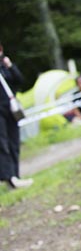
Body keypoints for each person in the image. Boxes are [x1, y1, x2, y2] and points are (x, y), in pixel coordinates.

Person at [0, 41, 33, 189]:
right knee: (3, 144)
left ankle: (15, 176)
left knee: (14, 142)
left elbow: (19, 80)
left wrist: (10, 66)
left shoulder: (5, 68)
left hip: (12, 110)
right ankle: (9, 178)